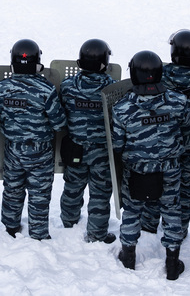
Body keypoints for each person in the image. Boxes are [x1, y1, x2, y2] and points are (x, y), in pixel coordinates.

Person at [113, 50, 190, 281]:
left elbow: (117, 143)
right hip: (170, 168)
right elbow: (186, 126)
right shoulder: (179, 101)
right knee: (172, 211)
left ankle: (128, 256)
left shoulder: (122, 108)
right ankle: (172, 262)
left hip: (137, 170)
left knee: (132, 211)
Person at [141, 30, 190, 240]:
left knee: (155, 183)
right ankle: (179, 230)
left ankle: (148, 228)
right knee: (185, 188)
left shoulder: (158, 75)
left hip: (159, 141)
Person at [0, 39, 66, 240]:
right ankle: (39, 233)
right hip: (40, 151)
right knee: (40, 193)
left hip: (13, 149)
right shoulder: (46, 89)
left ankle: (10, 227)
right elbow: (59, 123)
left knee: (12, 190)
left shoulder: (1, 88)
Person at [59, 39, 117, 243]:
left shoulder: (67, 87)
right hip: (102, 150)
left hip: (75, 147)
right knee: (100, 192)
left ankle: (68, 223)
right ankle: (97, 233)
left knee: (72, 186)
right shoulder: (112, 88)